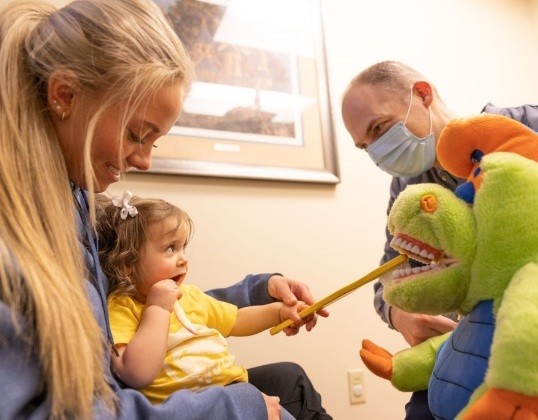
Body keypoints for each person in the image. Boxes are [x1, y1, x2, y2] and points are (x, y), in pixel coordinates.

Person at [0, 0, 330, 419]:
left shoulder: (78, 206)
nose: (144, 161)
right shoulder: (16, 242)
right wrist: (234, 409)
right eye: (137, 135)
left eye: (154, 143)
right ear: (64, 95)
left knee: (289, 381)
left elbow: (166, 302)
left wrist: (261, 289)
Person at [341, 60, 538, 419]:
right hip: (470, 341)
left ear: (422, 94)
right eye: (364, 146)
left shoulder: (524, 127)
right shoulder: (407, 188)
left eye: (379, 128)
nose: (375, 152)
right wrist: (400, 315)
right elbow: (387, 274)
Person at [97, 193, 324, 408]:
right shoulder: (120, 307)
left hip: (233, 389)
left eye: (183, 247)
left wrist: (280, 313)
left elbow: (236, 320)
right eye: (170, 249)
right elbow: (137, 373)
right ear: (128, 264)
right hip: (197, 408)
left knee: (292, 380)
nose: (183, 259)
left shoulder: (189, 296)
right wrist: (157, 308)